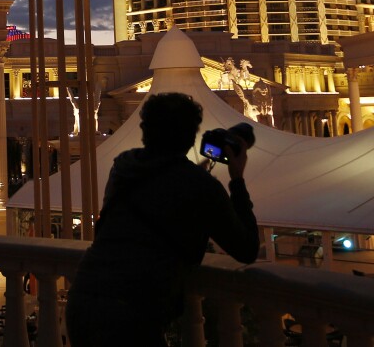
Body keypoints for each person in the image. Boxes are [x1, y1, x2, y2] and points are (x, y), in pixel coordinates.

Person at [65, 92, 259, 346]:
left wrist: (190, 173)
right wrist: (237, 179)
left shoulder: (123, 167)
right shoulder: (199, 186)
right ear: (192, 135)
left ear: (145, 131)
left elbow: (158, 188)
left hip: (83, 298)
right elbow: (246, 248)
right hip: (134, 313)